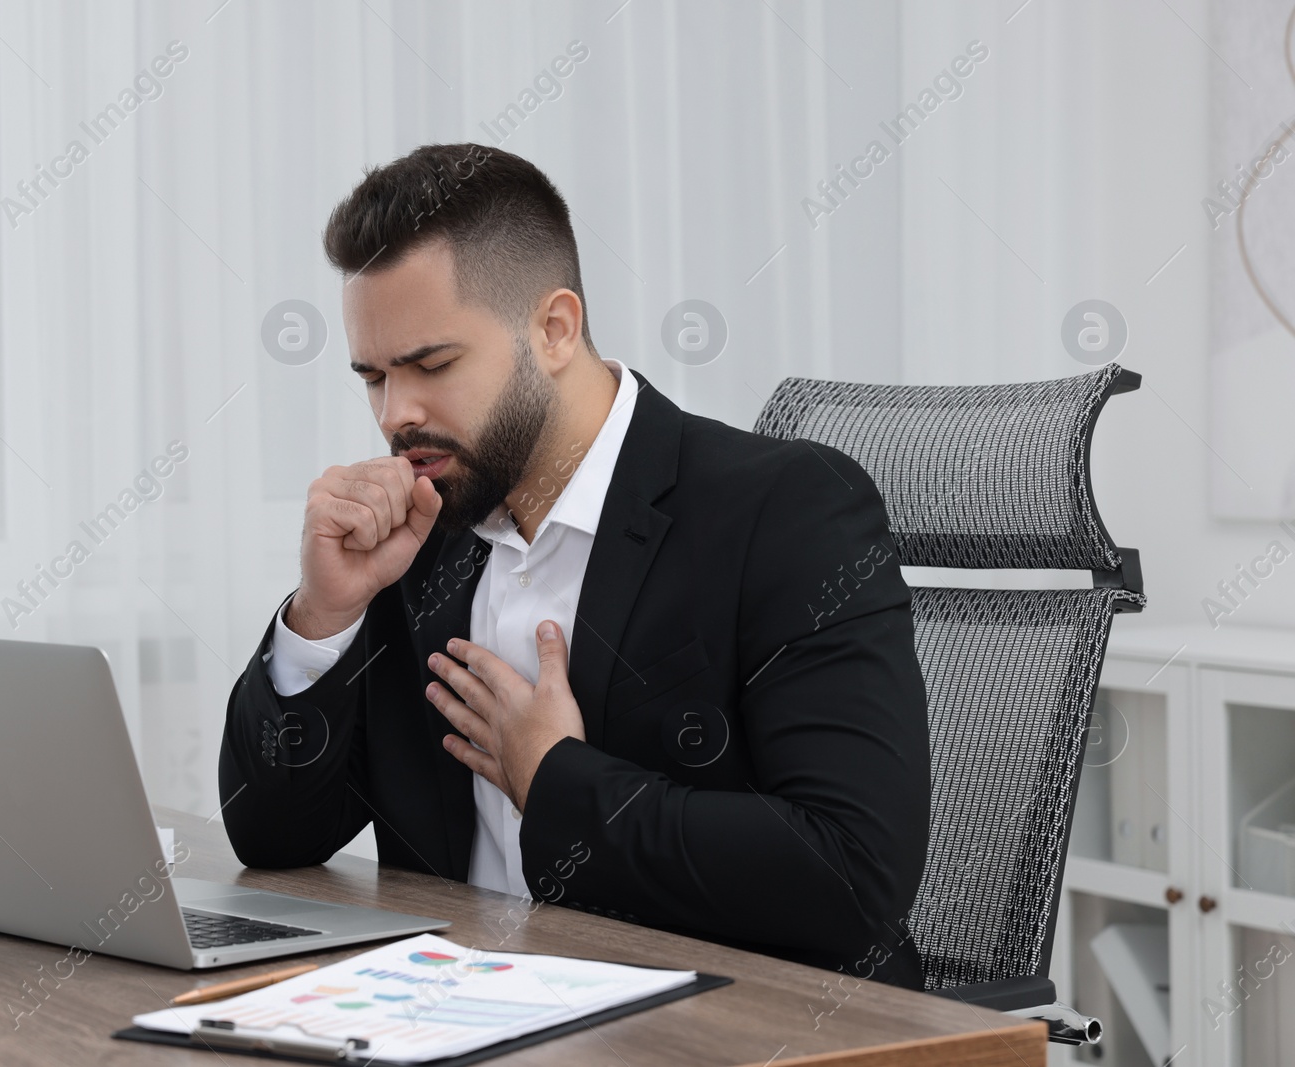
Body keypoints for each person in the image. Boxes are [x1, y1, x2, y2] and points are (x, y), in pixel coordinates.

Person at [220, 142, 931, 987]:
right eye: (372, 376)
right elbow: (272, 839)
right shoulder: (416, 533)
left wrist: (554, 778)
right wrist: (321, 617)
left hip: (717, 1032)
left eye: (432, 365)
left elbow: (851, 876)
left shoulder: (786, 511)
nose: (396, 413)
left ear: (555, 329)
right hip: (456, 1013)